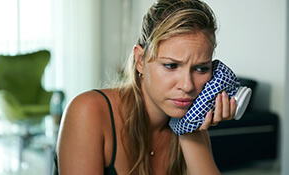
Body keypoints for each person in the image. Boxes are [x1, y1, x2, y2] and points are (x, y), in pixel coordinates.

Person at [54, 0, 237, 174]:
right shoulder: (88, 112)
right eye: (171, 66)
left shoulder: (192, 125)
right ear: (140, 61)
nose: (187, 86)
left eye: (201, 68)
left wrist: (190, 132)